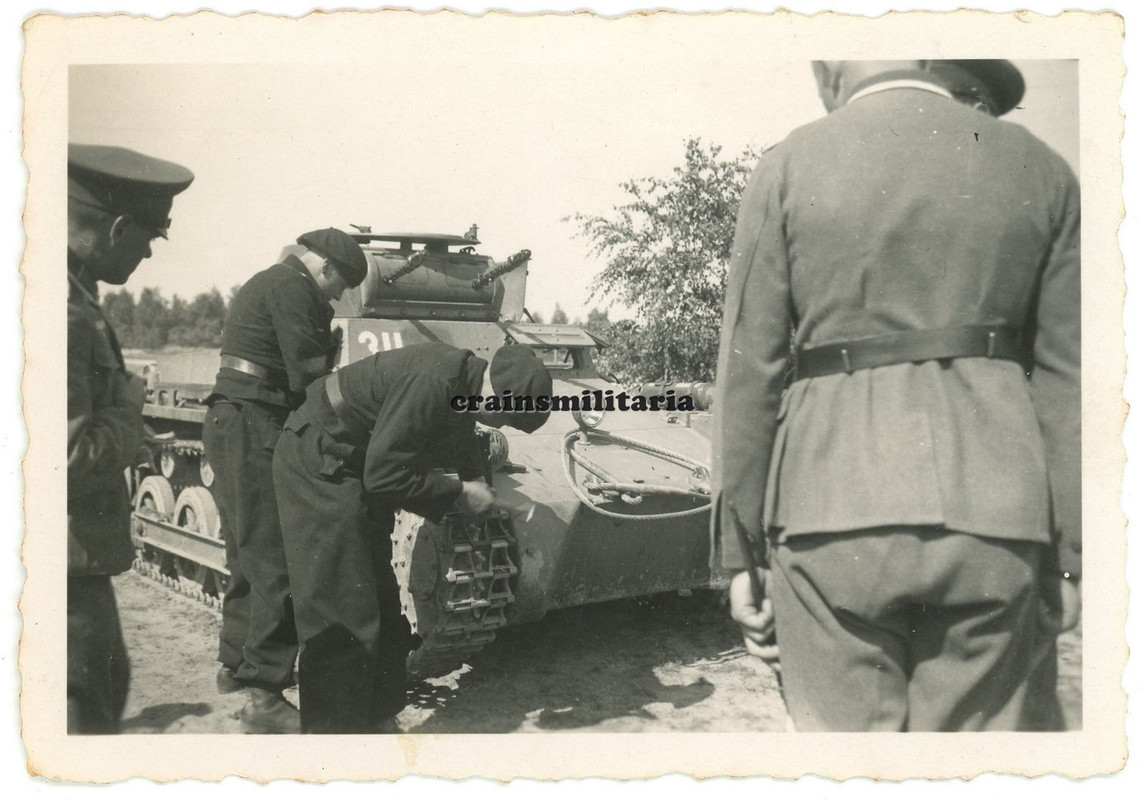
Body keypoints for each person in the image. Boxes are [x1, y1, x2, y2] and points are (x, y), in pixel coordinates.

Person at [712, 60, 1081, 731]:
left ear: (828, 69)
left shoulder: (789, 166)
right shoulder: (1041, 168)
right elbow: (1071, 378)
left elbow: (749, 372)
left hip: (828, 510)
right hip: (998, 516)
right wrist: (1074, 557)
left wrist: (739, 557)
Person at [272, 342, 552, 733]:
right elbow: (384, 474)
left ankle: (378, 717)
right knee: (343, 611)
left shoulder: (462, 381)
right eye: (503, 415)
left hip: (353, 462)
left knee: (384, 602)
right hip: (320, 461)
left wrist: (480, 487)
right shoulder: (433, 381)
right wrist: (458, 493)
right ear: (492, 389)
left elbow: (459, 436)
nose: (500, 425)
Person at [202, 228, 367, 734]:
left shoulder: (273, 280)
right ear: (325, 267)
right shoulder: (295, 287)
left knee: (247, 551)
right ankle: (264, 695)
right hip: (254, 422)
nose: (339, 297)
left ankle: (237, 664)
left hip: (233, 419)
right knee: (276, 559)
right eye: (341, 285)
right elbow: (308, 377)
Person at [67, 143, 194, 733]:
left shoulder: (67, 293)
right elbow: (65, 455)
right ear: (117, 227)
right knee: (82, 714)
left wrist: (125, 430)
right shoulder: (63, 310)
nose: (146, 252)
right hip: (62, 566)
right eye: (146, 239)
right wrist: (128, 407)